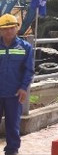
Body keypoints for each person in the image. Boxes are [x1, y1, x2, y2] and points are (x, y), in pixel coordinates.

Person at [0, 14, 33, 155]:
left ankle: (12, 150)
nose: (9, 31)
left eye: (11, 28)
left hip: (14, 93)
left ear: (17, 28)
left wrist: (23, 88)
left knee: (13, 124)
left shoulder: (25, 48)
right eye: (5, 28)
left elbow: (29, 69)